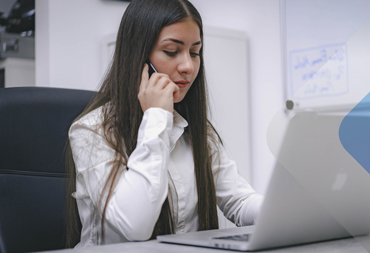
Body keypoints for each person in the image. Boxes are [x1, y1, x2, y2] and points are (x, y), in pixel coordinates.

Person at [65, 0, 264, 248]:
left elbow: (239, 201)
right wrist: (156, 117)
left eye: (195, 52)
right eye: (171, 51)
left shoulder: (196, 131)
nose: (188, 67)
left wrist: (286, 211)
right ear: (138, 57)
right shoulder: (92, 131)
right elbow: (135, 226)